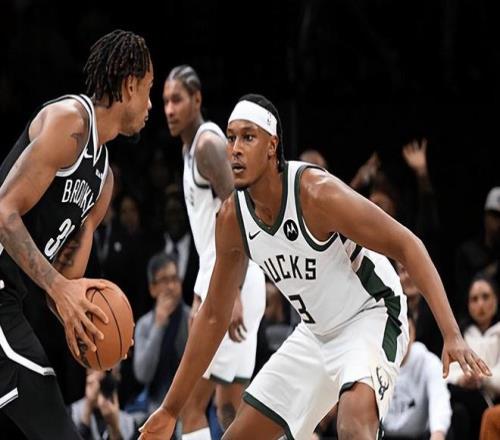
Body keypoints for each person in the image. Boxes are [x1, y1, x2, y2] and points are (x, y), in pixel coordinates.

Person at [139, 94, 490, 440]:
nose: (235, 149)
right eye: (231, 138)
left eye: (248, 137)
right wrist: (170, 409)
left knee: (353, 427)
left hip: (370, 314)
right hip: (315, 332)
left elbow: (408, 245)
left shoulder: (315, 193)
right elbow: (214, 315)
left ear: (272, 145)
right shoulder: (231, 218)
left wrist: (451, 333)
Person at [0, 29, 153, 439]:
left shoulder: (103, 183)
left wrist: (94, 326)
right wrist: (57, 287)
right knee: (54, 422)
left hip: (11, 299)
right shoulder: (69, 122)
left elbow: (65, 286)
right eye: (149, 89)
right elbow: (3, 212)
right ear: (130, 85)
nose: (150, 105)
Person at [162, 65, 265, 438]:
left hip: (230, 280)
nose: (169, 109)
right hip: (229, 279)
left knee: (190, 406)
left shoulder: (207, 145)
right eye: (165, 101)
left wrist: (229, 292)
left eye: (177, 100)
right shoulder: (191, 147)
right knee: (229, 406)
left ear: (197, 99)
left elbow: (239, 216)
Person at [132, 253, 190, 419]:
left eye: (174, 279)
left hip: (189, 405)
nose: (171, 286)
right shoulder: (144, 325)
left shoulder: (191, 318)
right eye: (164, 280)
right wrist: (158, 326)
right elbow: (142, 374)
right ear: (152, 288)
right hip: (154, 406)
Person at [446, 275, 500, 440]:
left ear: (496, 299)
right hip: (462, 395)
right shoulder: (460, 335)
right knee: (457, 411)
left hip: (490, 400)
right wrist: (463, 379)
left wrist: (481, 378)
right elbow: (447, 372)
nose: (480, 304)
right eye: (474, 299)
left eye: (485, 297)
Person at [383, 314, 452, 440]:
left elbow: (439, 400)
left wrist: (438, 434)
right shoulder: (371, 362)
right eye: (394, 332)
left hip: (418, 436)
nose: (401, 339)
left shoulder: (428, 362)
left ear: (413, 332)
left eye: (405, 331)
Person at [71, 367, 136, 440]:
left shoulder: (129, 423)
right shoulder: (72, 413)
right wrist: (88, 408)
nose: (108, 370)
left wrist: (114, 429)